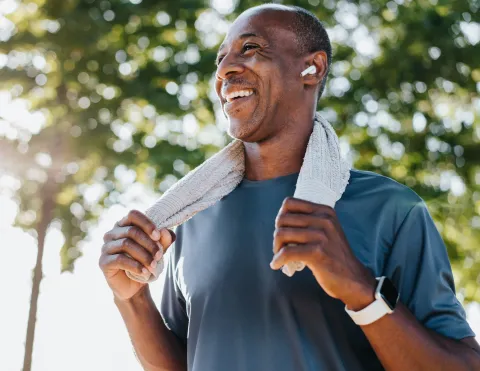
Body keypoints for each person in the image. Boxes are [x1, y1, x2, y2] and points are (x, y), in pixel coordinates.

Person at [99, 4, 480, 371]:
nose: (226, 69)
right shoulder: (189, 218)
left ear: (312, 68)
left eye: (250, 48)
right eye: (221, 59)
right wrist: (131, 300)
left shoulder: (392, 210)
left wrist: (361, 290)